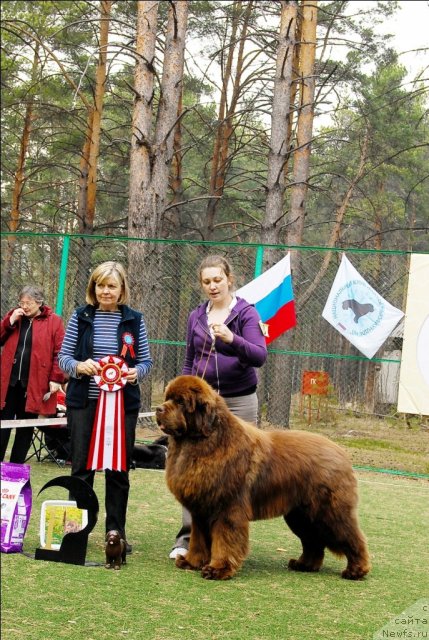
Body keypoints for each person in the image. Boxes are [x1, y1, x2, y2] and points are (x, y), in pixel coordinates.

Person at [169, 254, 268, 558]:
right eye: (207, 281)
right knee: (190, 470)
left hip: (238, 405)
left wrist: (232, 338)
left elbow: (258, 355)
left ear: (229, 279)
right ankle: (189, 540)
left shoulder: (246, 314)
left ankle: (226, 541)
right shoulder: (196, 316)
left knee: (233, 478)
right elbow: (189, 358)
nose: (213, 286)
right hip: (199, 411)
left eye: (217, 280)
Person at [58, 261, 153, 554]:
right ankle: (77, 532)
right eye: (100, 285)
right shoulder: (80, 316)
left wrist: (138, 373)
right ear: (93, 288)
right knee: (81, 469)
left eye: (111, 286)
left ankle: (116, 534)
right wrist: (78, 366)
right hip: (83, 403)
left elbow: (146, 362)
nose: (105, 291)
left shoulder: (135, 320)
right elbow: (63, 358)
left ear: (122, 289)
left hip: (122, 405)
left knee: (118, 471)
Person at [1, 285, 66, 463]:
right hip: (9, 384)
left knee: (25, 428)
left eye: (28, 303)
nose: (24, 306)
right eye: (21, 303)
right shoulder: (15, 317)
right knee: (3, 426)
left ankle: (14, 470)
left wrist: (56, 378)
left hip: (34, 385)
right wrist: (10, 320)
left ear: (39, 302)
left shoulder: (54, 321)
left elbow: (60, 352)